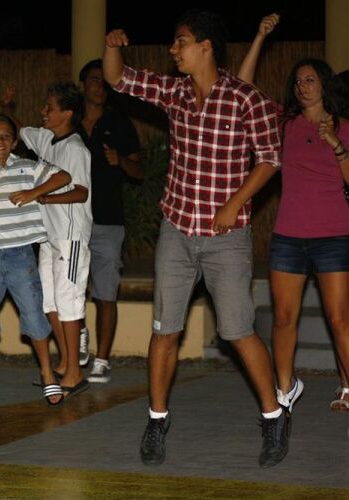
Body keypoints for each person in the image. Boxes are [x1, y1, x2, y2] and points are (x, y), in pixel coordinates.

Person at [103, 9, 286, 468]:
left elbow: (269, 159)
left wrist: (234, 203)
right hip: (178, 229)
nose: (173, 50)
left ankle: (273, 416)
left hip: (227, 236)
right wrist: (111, 46)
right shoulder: (175, 92)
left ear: (206, 46)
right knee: (165, 329)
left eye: (180, 41)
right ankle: (156, 420)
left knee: (237, 331)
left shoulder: (245, 99)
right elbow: (118, 78)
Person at [238, 15, 349, 417]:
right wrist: (259, 35)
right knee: (284, 318)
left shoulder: (345, 127)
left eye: (310, 80)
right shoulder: (283, 124)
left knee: (339, 319)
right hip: (289, 236)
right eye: (298, 81)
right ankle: (285, 389)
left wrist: (335, 143)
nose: (302, 86)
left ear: (324, 85)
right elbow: (244, 87)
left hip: (335, 235)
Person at [0, 114, 72, 407]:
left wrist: (34, 192)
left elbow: (64, 177)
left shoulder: (28, 167)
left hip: (22, 256)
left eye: (6, 136)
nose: (0, 141)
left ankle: (47, 373)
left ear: (15, 141)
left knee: (34, 315)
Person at [19, 83, 93, 398]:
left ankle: (75, 372)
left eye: (50, 107)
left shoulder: (76, 149)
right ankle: (65, 363)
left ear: (67, 113)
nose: (43, 111)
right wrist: (7, 109)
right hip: (49, 237)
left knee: (69, 302)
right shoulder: (47, 139)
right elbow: (21, 132)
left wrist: (43, 197)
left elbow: (81, 192)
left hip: (70, 237)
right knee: (49, 301)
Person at [77, 59, 143, 381]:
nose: (100, 87)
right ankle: (79, 335)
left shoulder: (119, 123)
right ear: (83, 85)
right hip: (72, 220)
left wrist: (120, 161)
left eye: (104, 82)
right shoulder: (69, 120)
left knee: (105, 293)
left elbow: (139, 171)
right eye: (94, 80)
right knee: (71, 289)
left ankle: (102, 360)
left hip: (107, 221)